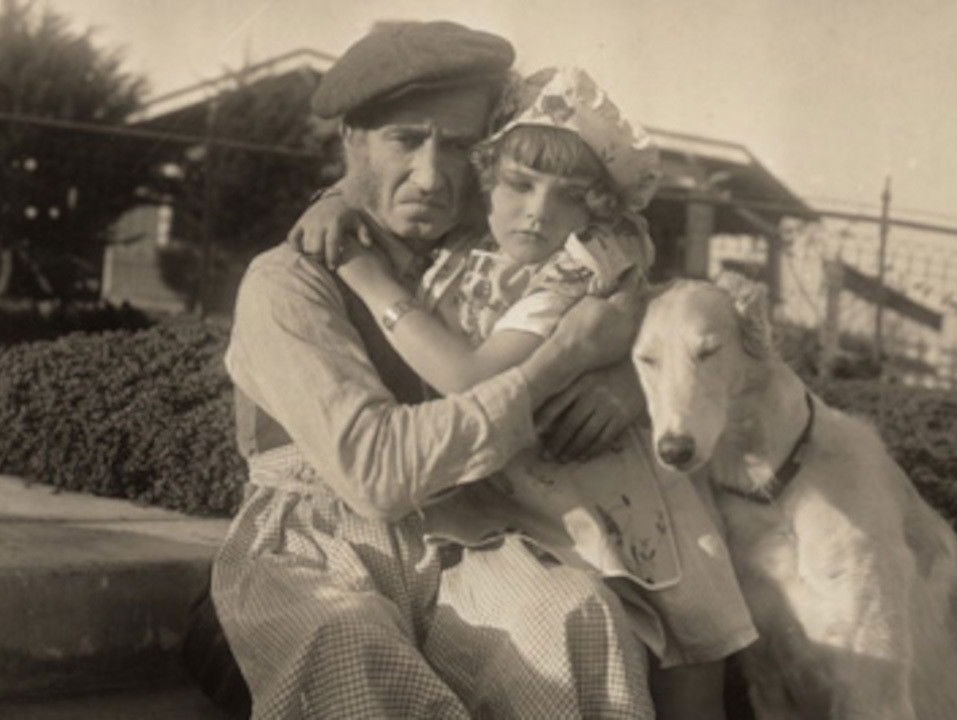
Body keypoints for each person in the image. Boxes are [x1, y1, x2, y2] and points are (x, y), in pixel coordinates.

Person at [212, 21, 656, 719]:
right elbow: (378, 474)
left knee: (575, 615)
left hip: (463, 536)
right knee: (348, 642)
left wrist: (631, 379)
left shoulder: (491, 259)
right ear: (352, 140)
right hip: (313, 543)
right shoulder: (288, 283)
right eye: (405, 140)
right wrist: (562, 361)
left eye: (456, 146)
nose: (431, 175)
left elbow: (636, 275)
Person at [297, 66, 758, 717]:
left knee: (688, 634)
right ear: (487, 176)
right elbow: (380, 194)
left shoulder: (568, 269)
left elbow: (471, 379)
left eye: (567, 197)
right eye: (520, 184)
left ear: (595, 210)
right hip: (514, 484)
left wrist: (371, 282)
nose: (538, 212)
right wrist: (331, 202)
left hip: (596, 482)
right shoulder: (470, 240)